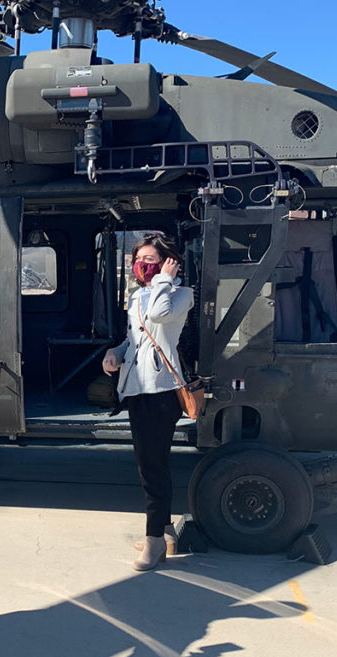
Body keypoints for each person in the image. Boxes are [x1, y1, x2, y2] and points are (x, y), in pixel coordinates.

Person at [102, 233, 195, 571]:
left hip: (161, 392)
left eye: (151, 259)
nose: (142, 265)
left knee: (151, 467)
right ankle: (165, 529)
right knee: (152, 463)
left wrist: (166, 280)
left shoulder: (180, 295)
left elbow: (158, 316)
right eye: (139, 259)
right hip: (137, 389)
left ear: (168, 262)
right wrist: (113, 354)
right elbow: (133, 341)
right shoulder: (138, 296)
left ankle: (155, 541)